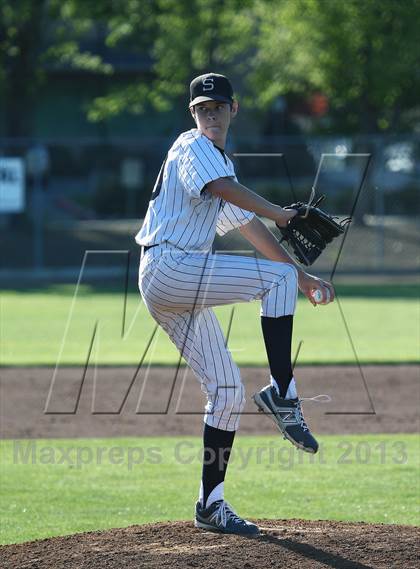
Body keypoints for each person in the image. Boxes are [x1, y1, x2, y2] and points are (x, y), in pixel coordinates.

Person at [136, 73, 335, 536]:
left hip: (171, 284)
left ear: (233, 109)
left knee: (225, 391)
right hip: (171, 268)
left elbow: (247, 226)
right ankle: (283, 395)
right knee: (276, 281)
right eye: (202, 108)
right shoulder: (193, 149)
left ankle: (210, 503)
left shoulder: (214, 162)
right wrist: (284, 213)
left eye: (217, 107)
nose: (210, 114)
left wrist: (301, 277)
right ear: (192, 114)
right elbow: (228, 192)